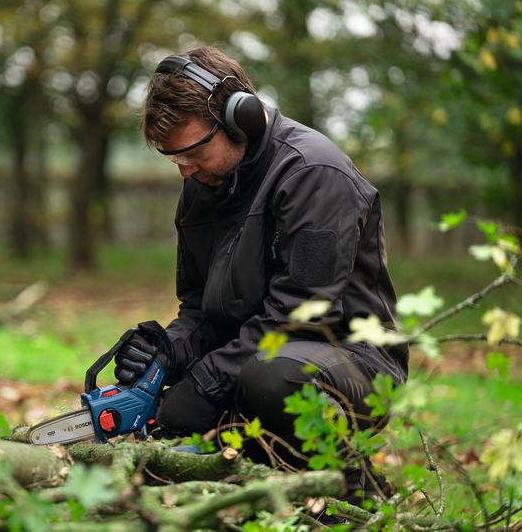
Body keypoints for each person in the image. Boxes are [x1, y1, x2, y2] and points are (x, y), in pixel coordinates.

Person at [109, 46, 408, 500]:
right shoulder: (202, 186)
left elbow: (302, 313)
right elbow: (198, 309)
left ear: (238, 120)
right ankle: (259, 478)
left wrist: (207, 383)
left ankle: (354, 491)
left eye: (192, 153)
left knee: (272, 376)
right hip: (250, 353)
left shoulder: (313, 173)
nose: (184, 171)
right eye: (173, 160)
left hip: (350, 358)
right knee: (233, 384)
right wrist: (166, 353)